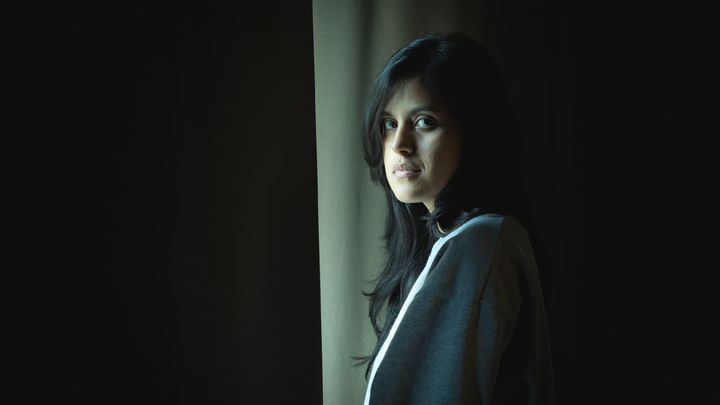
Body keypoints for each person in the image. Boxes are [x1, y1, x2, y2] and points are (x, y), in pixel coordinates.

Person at [358, 33, 555, 404]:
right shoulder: (457, 240)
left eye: (424, 121)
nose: (399, 144)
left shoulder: (480, 244)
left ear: (475, 133)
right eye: (389, 124)